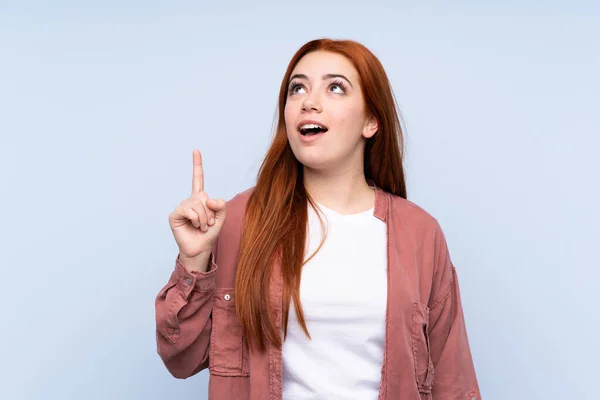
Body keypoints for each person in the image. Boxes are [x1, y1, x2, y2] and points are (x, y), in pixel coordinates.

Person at [155, 38, 481, 400]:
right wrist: (194, 261)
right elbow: (180, 358)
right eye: (297, 89)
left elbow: (454, 383)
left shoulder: (420, 233)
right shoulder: (239, 221)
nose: (309, 102)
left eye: (335, 87)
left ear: (371, 121)